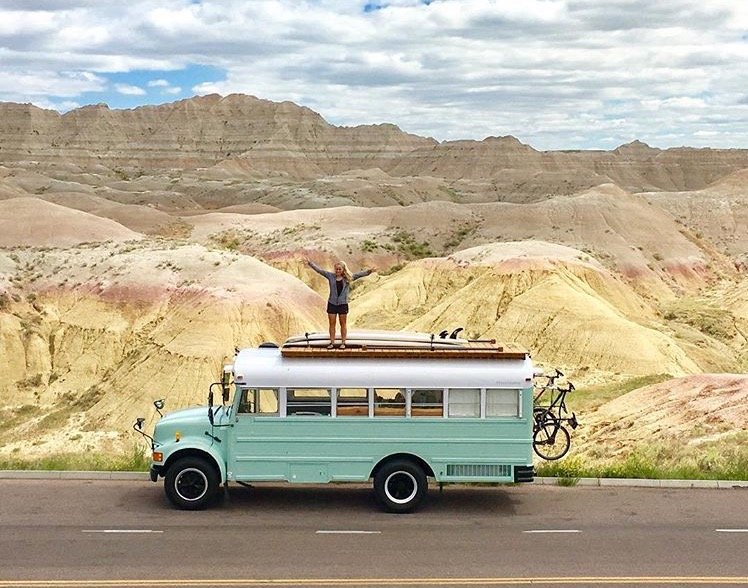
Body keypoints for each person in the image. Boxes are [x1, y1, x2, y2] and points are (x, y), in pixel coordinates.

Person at [306, 259, 373, 349]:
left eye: (339, 269)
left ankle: (343, 343)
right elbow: (320, 271)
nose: (337, 271)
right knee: (332, 324)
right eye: (336, 269)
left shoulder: (348, 278)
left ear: (343, 270)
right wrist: (310, 263)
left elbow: (359, 275)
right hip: (332, 303)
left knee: (343, 324)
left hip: (342, 304)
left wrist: (369, 271)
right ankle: (332, 343)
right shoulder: (330, 276)